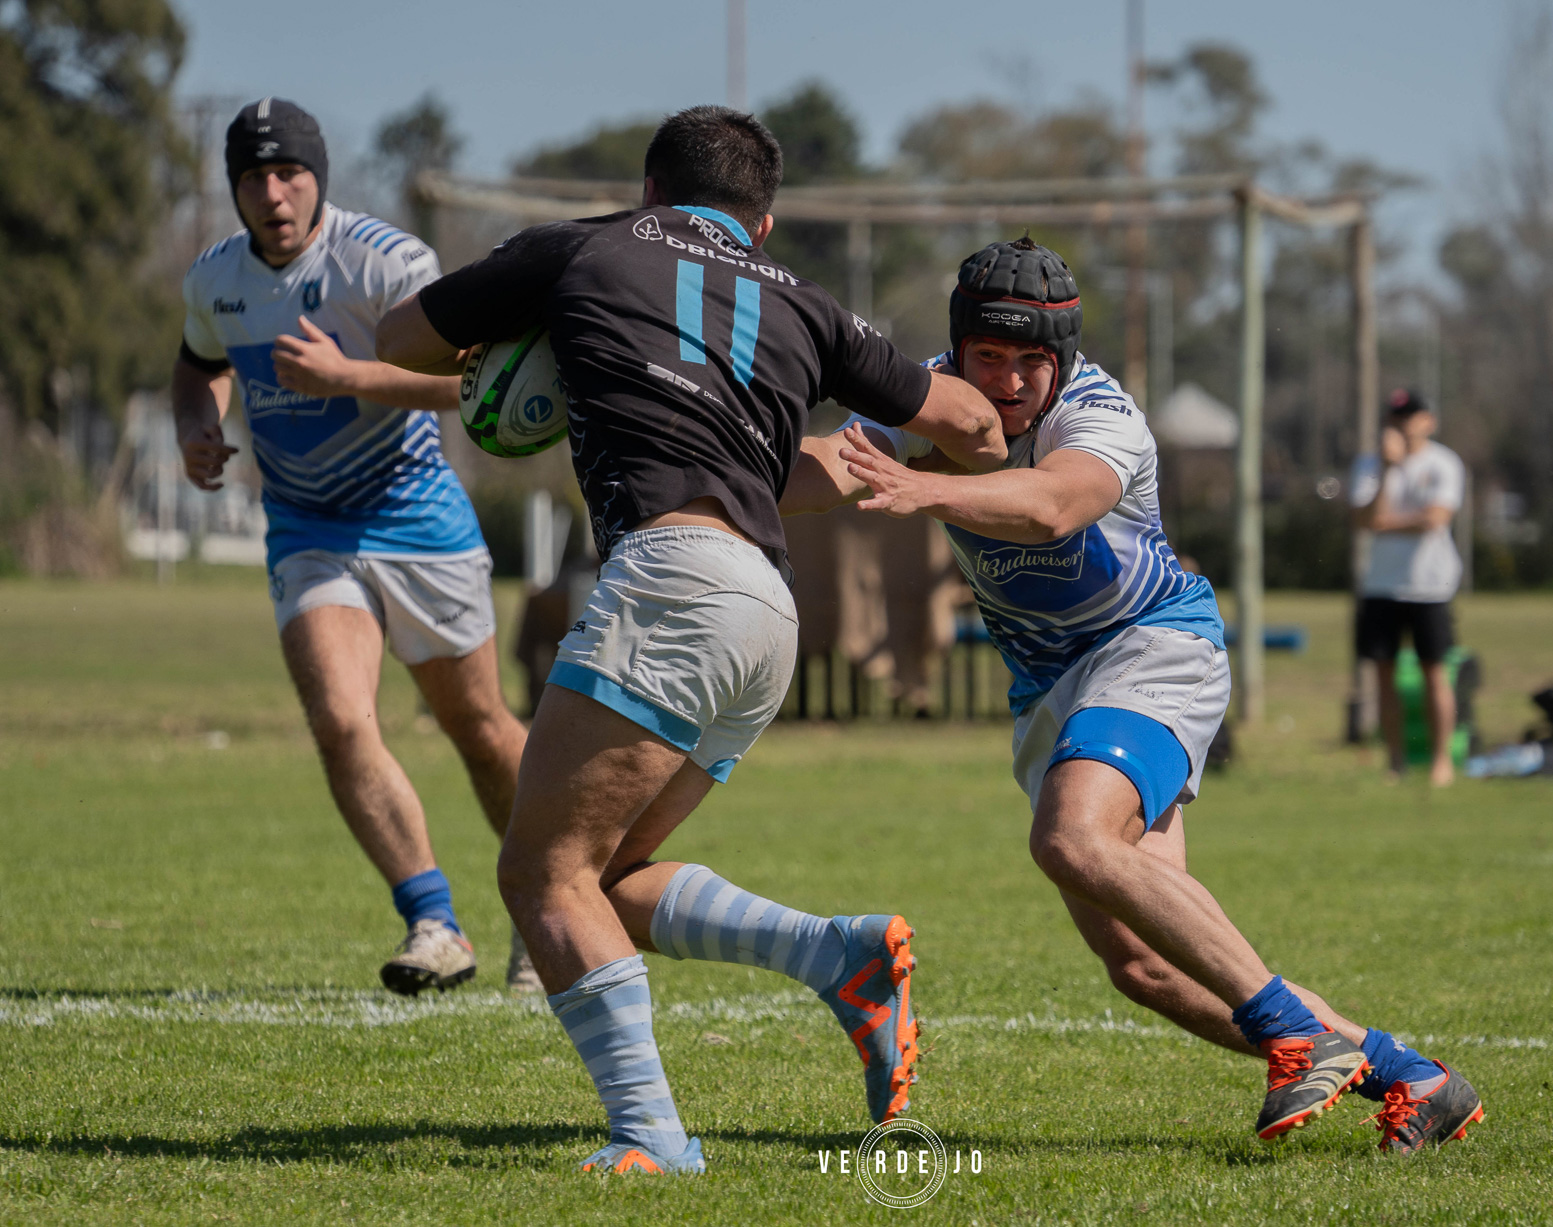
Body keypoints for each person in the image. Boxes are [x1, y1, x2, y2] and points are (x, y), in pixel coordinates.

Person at [375, 105, 1006, 1176]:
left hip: (669, 583)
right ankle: (839, 957)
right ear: (762, 224)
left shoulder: (581, 248)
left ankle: (652, 1135)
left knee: (541, 875)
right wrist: (915, 463)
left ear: (651, 192)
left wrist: (533, 336)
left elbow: (398, 340)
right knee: (609, 873)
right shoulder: (806, 302)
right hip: (765, 611)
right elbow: (978, 428)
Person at [784, 237, 1483, 1155]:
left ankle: (1295, 1031)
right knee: (1146, 964)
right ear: (957, 348)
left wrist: (924, 489)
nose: (1007, 382)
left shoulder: (1101, 412)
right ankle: (1412, 1076)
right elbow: (832, 465)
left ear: (1062, 357)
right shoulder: (931, 394)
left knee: (1071, 838)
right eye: (986, 356)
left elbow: (1052, 505)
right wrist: (717, 473)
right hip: (1048, 688)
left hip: (1151, 645)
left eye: (1030, 360)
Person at [174, 99, 537, 996]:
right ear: (235, 189)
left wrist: (346, 376)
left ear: (319, 177)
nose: (273, 193)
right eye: (253, 178)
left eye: (289, 173)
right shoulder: (215, 279)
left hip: (417, 519)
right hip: (309, 530)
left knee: (480, 728)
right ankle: (435, 922)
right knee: (341, 721)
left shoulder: (385, 262)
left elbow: (471, 382)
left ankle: (550, 903)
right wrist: (198, 426)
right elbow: (198, 363)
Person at [1350, 390, 1466, 787]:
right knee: (1384, 676)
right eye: (1397, 416)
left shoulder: (1444, 462)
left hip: (1430, 586)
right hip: (1381, 585)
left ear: (1428, 421)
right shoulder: (1370, 464)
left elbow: (1435, 519)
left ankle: (1441, 761)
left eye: (1412, 415)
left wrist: (1386, 522)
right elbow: (1365, 519)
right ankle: (1395, 761)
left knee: (1435, 672)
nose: (1403, 424)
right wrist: (1387, 471)